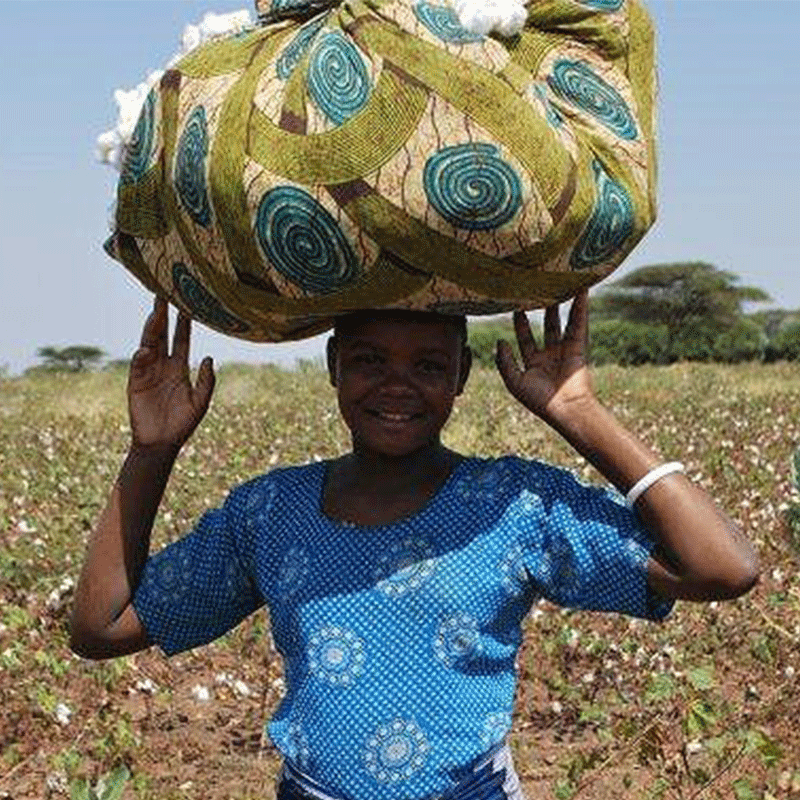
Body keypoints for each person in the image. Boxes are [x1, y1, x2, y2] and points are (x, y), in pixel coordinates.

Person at [69, 290, 758, 800]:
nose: (396, 385)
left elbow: (722, 568)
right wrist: (151, 451)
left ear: (461, 377)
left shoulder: (512, 504)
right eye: (369, 360)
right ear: (333, 365)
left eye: (428, 365)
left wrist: (581, 413)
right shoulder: (271, 511)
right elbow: (102, 628)